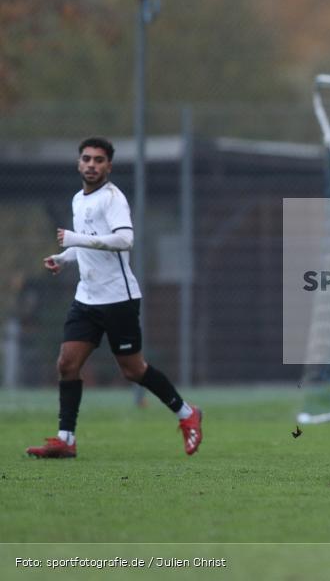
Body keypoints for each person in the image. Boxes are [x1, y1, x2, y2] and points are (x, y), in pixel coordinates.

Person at [26, 137, 202, 458]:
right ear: (79, 163)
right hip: (87, 299)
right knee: (67, 363)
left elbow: (124, 240)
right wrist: (64, 258)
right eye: (87, 159)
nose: (91, 164)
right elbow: (87, 245)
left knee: (133, 370)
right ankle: (66, 439)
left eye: (98, 160)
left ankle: (187, 413)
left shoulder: (112, 199)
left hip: (117, 299)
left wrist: (75, 238)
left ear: (109, 166)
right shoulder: (78, 200)